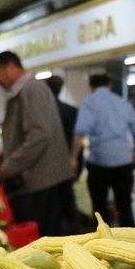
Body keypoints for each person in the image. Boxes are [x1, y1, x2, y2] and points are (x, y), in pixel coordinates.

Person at [0, 51, 74, 236]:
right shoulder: (22, 92)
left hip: (44, 182)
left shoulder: (32, 89)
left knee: (48, 239)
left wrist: (9, 166)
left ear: (12, 67)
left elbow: (39, 134)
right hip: (37, 182)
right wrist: (4, 155)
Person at [73, 74, 135, 227]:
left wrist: (73, 157)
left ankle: (103, 245)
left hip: (99, 163)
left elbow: (80, 133)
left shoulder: (89, 102)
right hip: (123, 162)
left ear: (91, 87)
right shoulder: (123, 102)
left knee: (100, 209)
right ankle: (132, 244)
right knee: (125, 205)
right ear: (109, 85)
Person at [46, 75, 79, 235]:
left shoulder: (45, 112)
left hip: (50, 162)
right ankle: (74, 232)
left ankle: (58, 235)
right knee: (68, 198)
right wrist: (75, 157)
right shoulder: (72, 110)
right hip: (69, 160)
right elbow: (77, 137)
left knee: (53, 202)